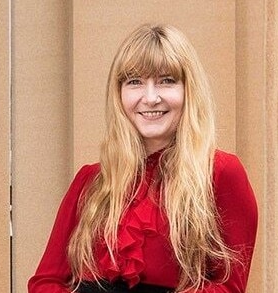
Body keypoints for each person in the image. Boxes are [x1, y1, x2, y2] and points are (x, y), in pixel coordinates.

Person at [28, 24, 258, 293]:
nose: (150, 98)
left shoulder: (221, 173)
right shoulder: (89, 181)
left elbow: (229, 287)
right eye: (135, 81)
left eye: (166, 80)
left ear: (189, 90)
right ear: (119, 94)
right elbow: (45, 283)